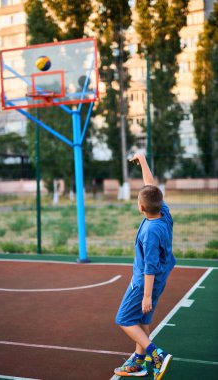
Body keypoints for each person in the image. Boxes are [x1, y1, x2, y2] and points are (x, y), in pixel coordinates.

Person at [114, 153, 176, 380]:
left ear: (141, 207)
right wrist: (142, 159)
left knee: (123, 319)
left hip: (144, 281)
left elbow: (149, 266)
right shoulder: (164, 214)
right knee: (142, 320)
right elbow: (151, 185)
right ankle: (139, 362)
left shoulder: (150, 232)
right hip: (160, 277)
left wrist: (146, 295)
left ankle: (156, 354)